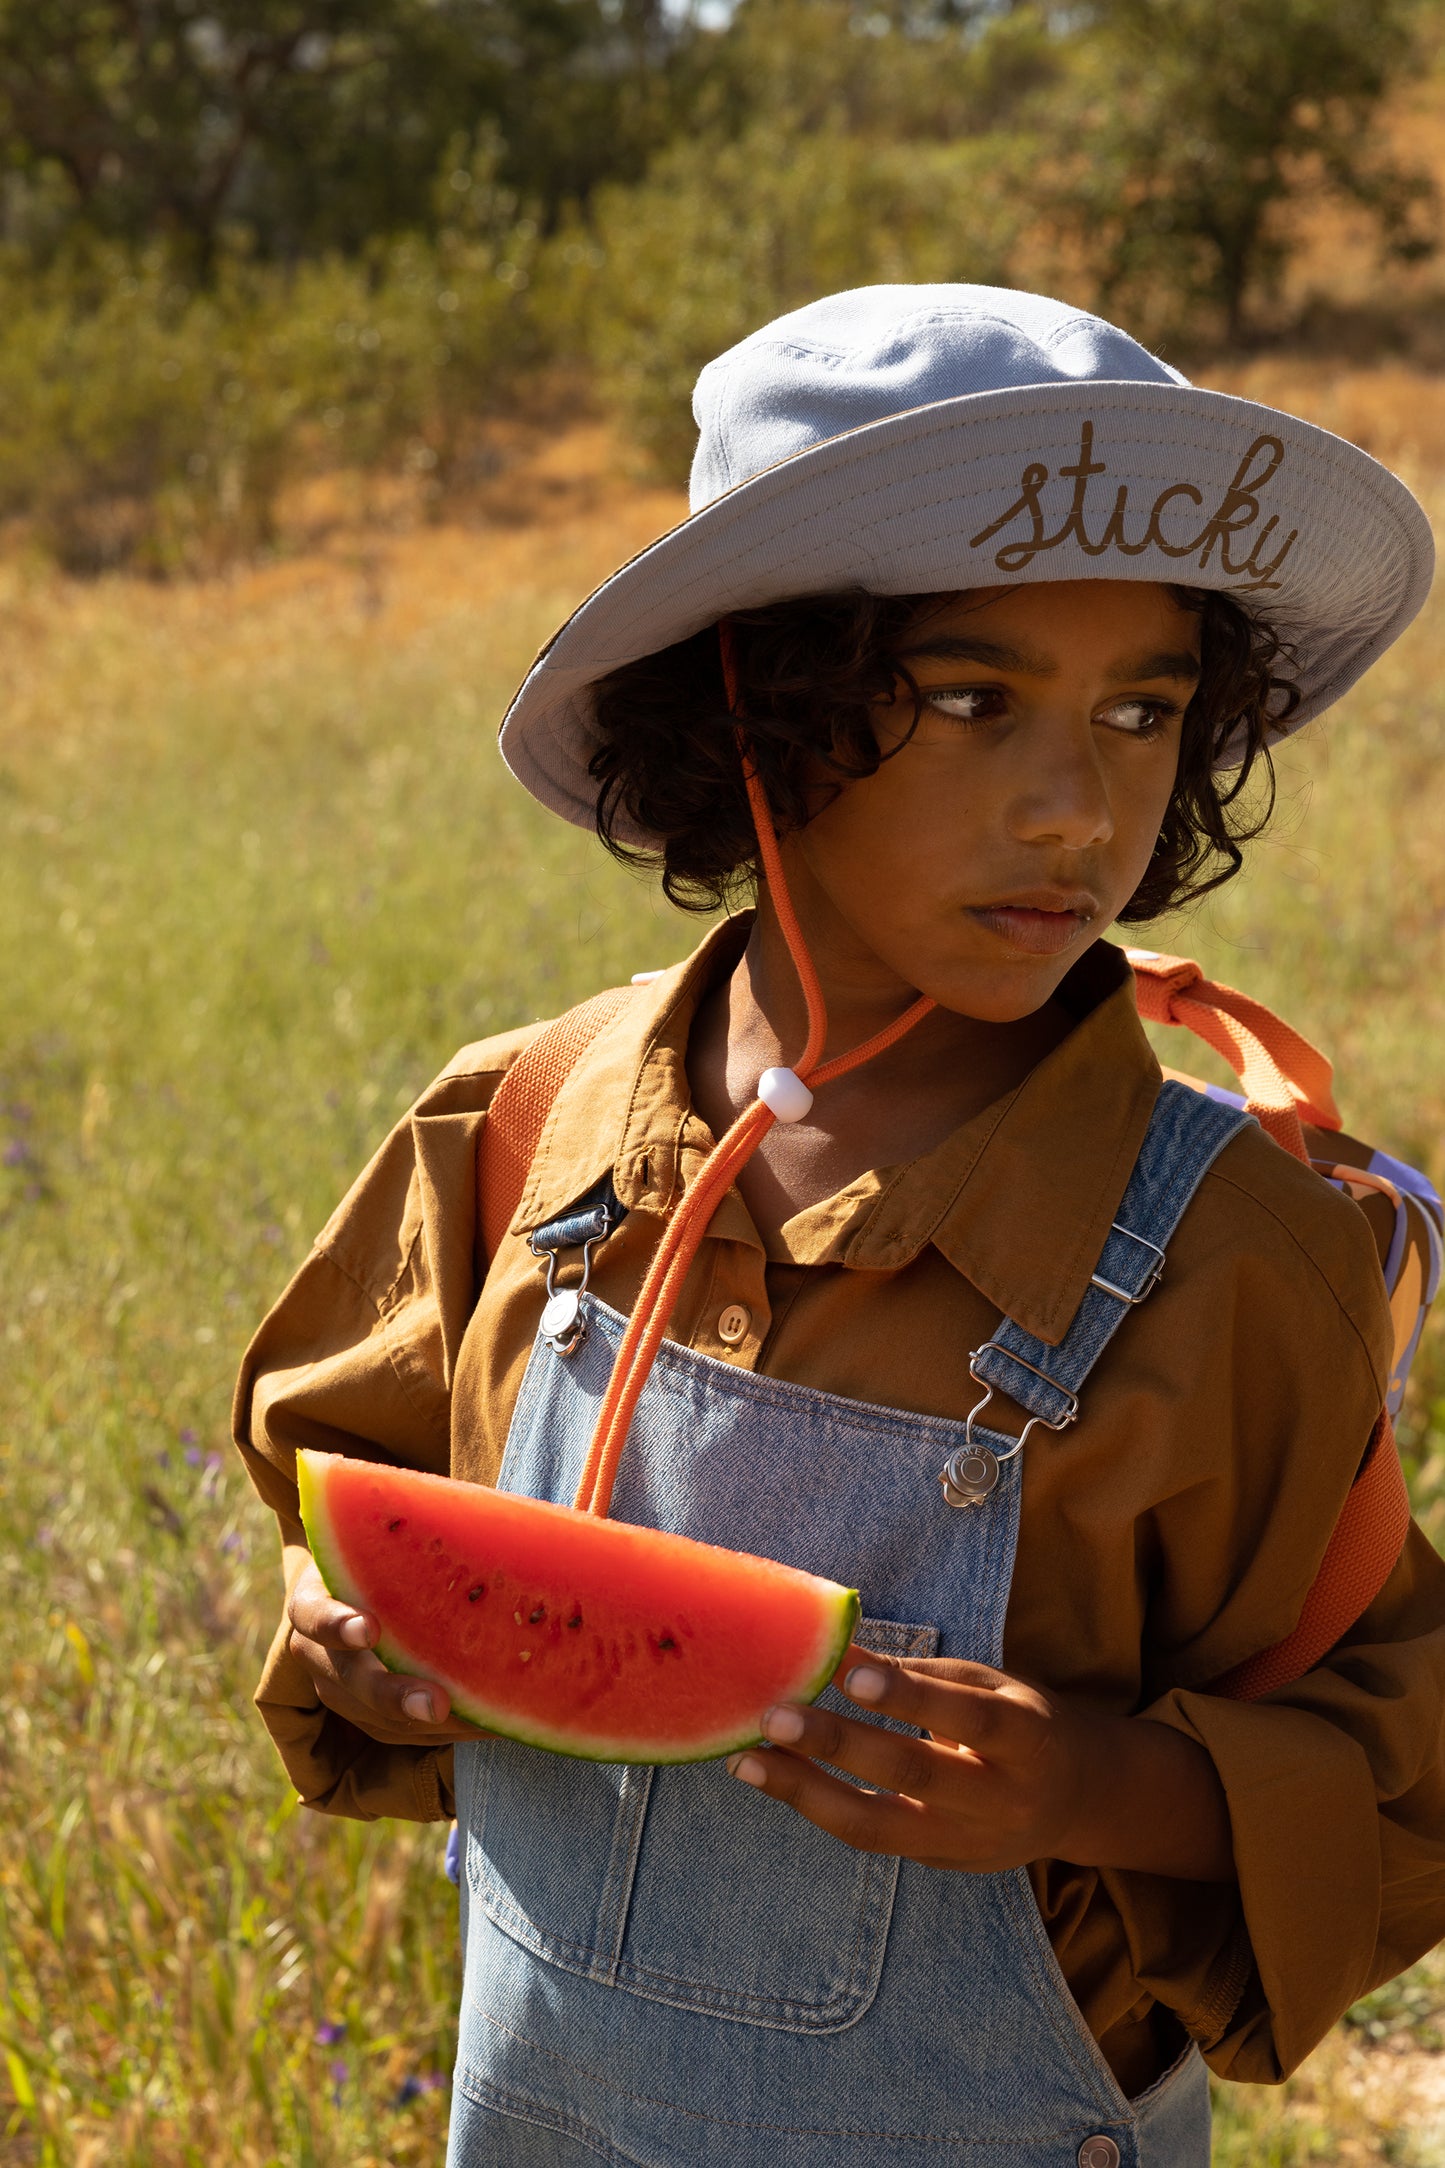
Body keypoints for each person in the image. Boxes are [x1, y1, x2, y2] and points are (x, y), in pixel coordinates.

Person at [234, 285, 1445, 2168]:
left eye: (1141, 712)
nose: (1077, 810)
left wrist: (1092, 1784)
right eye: (972, 702)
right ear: (757, 706)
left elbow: (1400, 1762)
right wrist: (346, 1634)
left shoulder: (1232, 1262)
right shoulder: (521, 1125)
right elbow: (351, 1501)